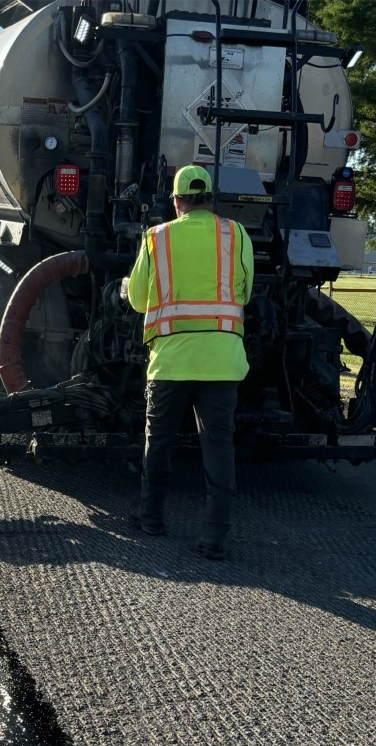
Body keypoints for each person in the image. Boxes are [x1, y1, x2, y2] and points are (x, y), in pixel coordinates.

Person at [125, 165, 253, 560]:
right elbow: (244, 293)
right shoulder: (236, 234)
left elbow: (137, 300)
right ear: (210, 198)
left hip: (171, 363)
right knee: (218, 448)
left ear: (177, 201)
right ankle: (214, 536)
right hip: (222, 363)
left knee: (159, 441)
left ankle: (151, 518)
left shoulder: (157, 238)